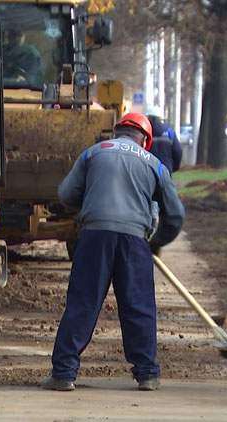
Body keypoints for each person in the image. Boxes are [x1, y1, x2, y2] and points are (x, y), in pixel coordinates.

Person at [41, 112, 186, 392]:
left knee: (83, 303)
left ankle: (63, 374)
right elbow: (175, 215)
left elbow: (67, 194)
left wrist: (90, 199)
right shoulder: (154, 164)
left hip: (94, 236)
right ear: (146, 140)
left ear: (116, 131)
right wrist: (155, 241)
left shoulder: (92, 154)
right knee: (138, 306)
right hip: (134, 241)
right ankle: (146, 375)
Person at [146, 105, 183, 174]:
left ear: (149, 117)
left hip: (148, 170)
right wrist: (174, 167)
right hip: (166, 169)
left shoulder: (145, 131)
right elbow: (178, 151)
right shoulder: (169, 132)